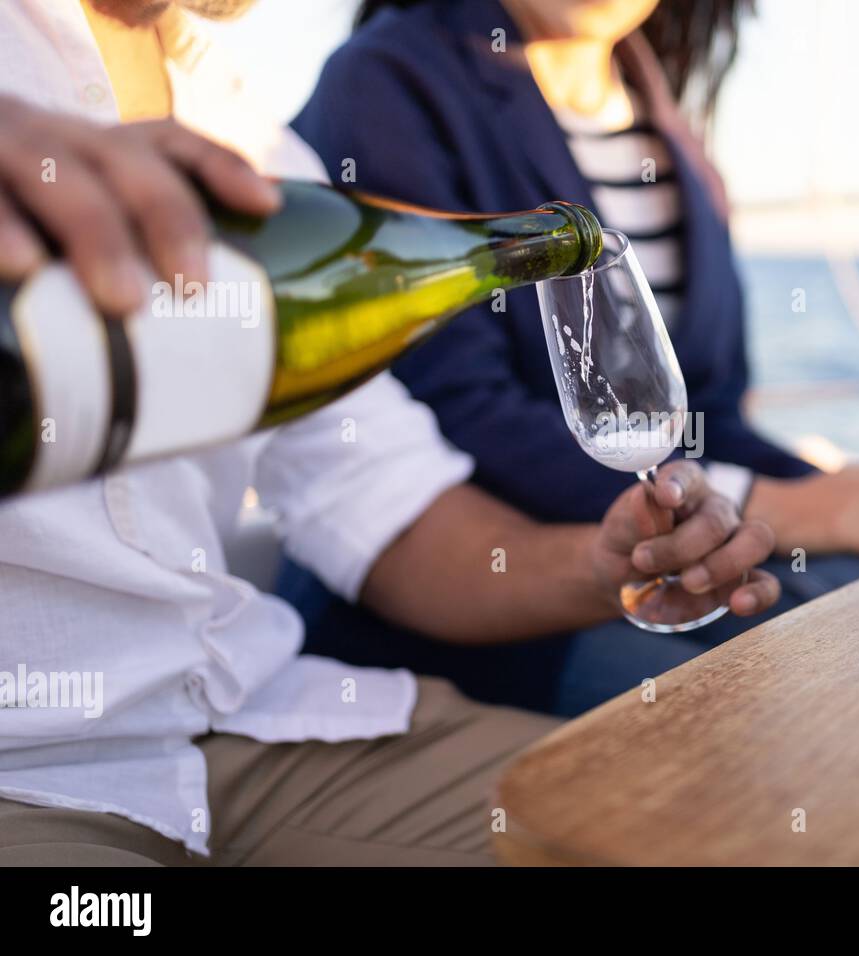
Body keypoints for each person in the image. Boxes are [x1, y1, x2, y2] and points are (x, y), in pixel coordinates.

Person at [0, 0, 778, 866]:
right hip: (27, 776)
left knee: (727, 822)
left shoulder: (255, 147)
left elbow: (387, 507)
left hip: (252, 729)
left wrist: (610, 569)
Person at [283, 0, 859, 714]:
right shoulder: (386, 80)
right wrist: (786, 508)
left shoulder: (669, 127)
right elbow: (458, 410)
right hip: (473, 610)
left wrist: (848, 500)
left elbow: (709, 411)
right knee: (795, 701)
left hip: (652, 561)